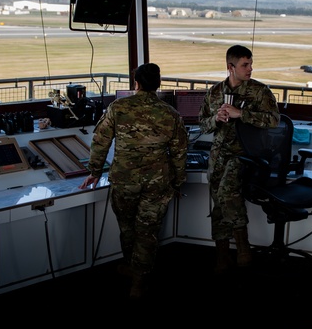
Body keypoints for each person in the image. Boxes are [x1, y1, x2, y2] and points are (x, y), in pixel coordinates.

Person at [80, 63, 187, 298]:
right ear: (158, 84)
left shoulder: (118, 108)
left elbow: (100, 142)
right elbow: (180, 153)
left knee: (127, 228)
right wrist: (177, 182)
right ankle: (139, 281)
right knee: (147, 232)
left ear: (136, 83)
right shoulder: (171, 114)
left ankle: (131, 268)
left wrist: (95, 172)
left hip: (124, 181)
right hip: (157, 183)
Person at [199, 44, 280, 272]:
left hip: (246, 155)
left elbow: (274, 120)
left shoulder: (259, 91)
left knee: (227, 194)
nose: (250, 69)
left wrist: (241, 114)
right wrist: (217, 118)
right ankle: (222, 254)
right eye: (245, 65)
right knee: (218, 203)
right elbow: (202, 125)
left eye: (251, 64)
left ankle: (244, 249)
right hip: (219, 155)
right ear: (230, 67)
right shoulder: (214, 93)